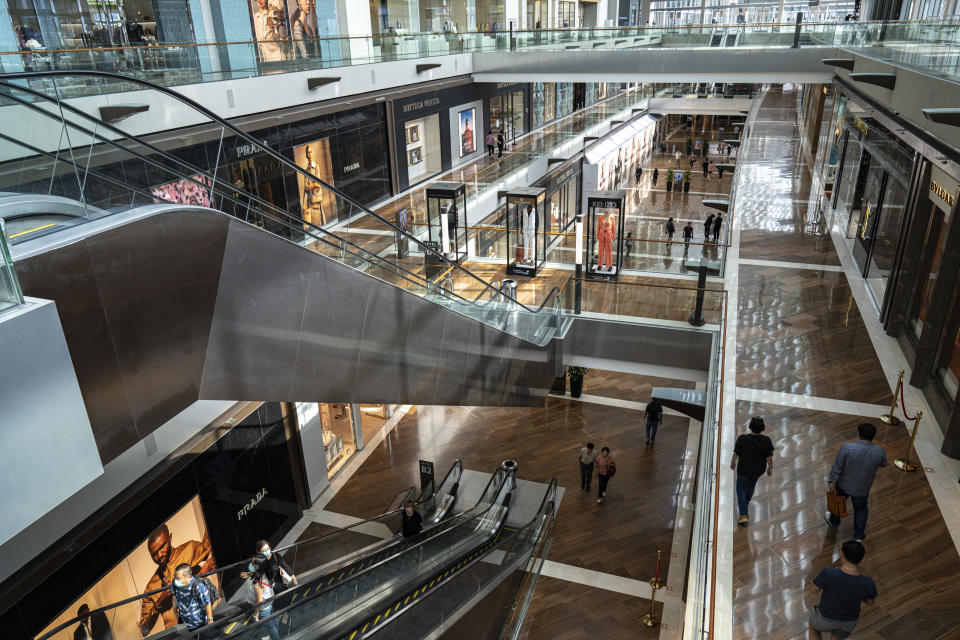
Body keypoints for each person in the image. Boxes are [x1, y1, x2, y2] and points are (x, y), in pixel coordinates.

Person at [138, 525, 214, 635]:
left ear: (170, 538)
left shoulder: (189, 549)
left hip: (205, 625)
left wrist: (204, 570)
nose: (160, 555)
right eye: (154, 554)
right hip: (179, 636)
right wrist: (160, 602)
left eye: (162, 546)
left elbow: (208, 544)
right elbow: (144, 630)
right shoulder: (151, 587)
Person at [825, 423, 888, 541]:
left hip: (844, 484)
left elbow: (837, 466)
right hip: (863, 488)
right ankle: (858, 536)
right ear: (873, 436)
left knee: (838, 502)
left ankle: (834, 521)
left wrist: (831, 480)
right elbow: (884, 463)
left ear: (859, 434)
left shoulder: (847, 447)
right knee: (861, 509)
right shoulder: (879, 451)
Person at [808, 540, 877, 639]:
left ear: (841, 553)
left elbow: (813, 590)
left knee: (813, 626)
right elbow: (870, 603)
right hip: (848, 623)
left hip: (825, 618)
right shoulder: (868, 582)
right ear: (861, 559)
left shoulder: (829, 573)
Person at [730, 416, 774, 525]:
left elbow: (736, 453)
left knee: (740, 488)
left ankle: (743, 514)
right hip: (758, 470)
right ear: (762, 428)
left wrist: (732, 462)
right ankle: (745, 504)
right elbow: (769, 457)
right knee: (751, 485)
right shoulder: (767, 441)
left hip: (744, 469)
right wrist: (770, 468)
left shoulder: (742, 439)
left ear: (750, 427)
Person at [170, 564, 213, 632]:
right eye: (175, 577)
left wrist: (210, 620)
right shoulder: (175, 585)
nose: (176, 581)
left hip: (202, 624)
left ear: (188, 577)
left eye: (178, 578)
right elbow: (174, 596)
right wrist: (175, 611)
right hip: (189, 625)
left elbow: (207, 603)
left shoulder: (198, 586)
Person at [247, 557, 280, 640]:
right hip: (269, 604)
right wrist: (249, 574)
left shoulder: (258, 585)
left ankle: (276, 638)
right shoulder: (266, 574)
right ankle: (277, 632)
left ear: (257, 568)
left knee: (270, 627)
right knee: (273, 618)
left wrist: (256, 615)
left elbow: (259, 602)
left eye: (252, 564)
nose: (250, 565)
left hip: (263, 610)